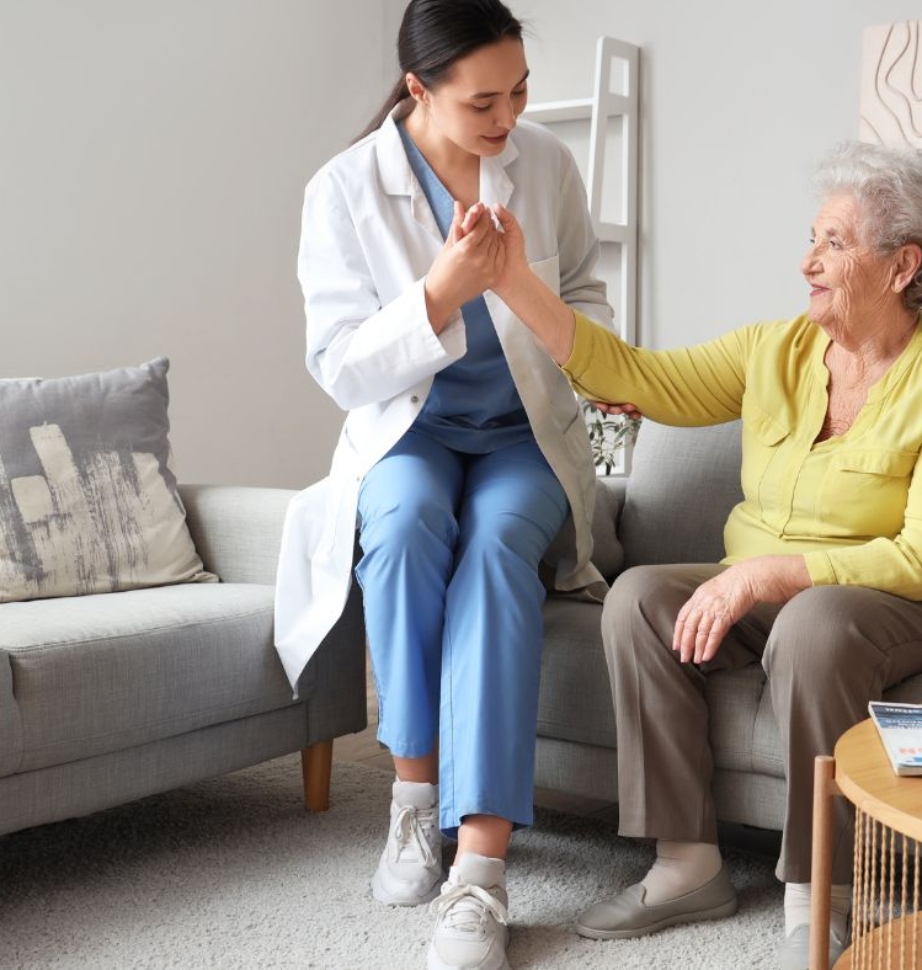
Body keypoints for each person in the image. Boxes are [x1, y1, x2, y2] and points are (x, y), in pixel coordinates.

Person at [483, 140, 922, 969]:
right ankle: (686, 863)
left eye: (835, 244)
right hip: (773, 587)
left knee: (814, 624)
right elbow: (636, 377)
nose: (808, 262)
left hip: (904, 604)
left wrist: (777, 573)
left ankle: (823, 891)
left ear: (902, 267)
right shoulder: (772, 353)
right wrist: (514, 281)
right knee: (641, 597)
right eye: (812, 239)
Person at [272, 2, 613, 969]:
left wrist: (515, 286)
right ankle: (413, 802)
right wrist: (440, 292)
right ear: (419, 90)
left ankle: (481, 872)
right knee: (410, 521)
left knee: (501, 545)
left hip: (520, 438)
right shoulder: (342, 189)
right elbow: (338, 366)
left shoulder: (545, 164)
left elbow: (587, 301)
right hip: (407, 432)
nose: (508, 118)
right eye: (482, 102)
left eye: (519, 93)